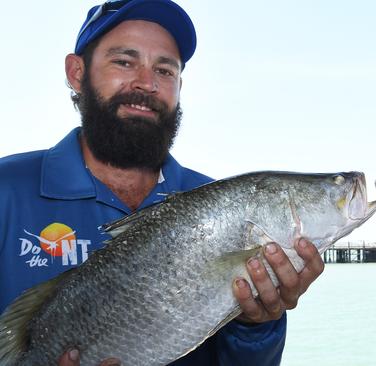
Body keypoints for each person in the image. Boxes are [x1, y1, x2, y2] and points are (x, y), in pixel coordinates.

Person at [0, 1, 324, 365]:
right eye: (124, 61)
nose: (147, 83)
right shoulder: (7, 189)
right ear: (77, 73)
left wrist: (257, 324)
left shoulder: (218, 205)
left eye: (165, 70)